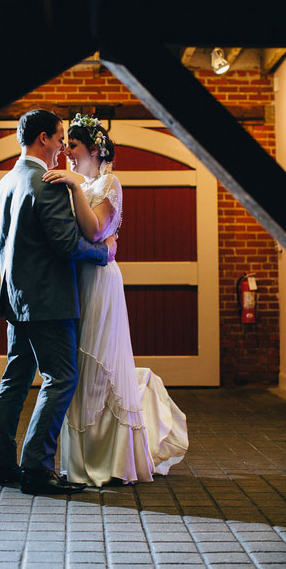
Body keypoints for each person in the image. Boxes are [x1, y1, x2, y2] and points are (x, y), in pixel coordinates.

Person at [43, 113, 188, 487]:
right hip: (77, 281)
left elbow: (96, 230)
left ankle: (111, 459)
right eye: (66, 146)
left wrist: (75, 187)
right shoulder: (80, 180)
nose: (67, 154)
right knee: (78, 365)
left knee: (98, 360)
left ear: (95, 149)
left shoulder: (110, 182)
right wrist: (74, 185)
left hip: (101, 282)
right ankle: (80, 459)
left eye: (72, 146)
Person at [0, 109, 118, 495]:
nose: (62, 146)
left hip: (16, 299)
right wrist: (103, 254)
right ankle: (37, 468)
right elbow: (64, 244)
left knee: (15, 378)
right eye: (59, 138)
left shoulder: (4, 184)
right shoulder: (47, 184)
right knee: (61, 378)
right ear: (43, 138)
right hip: (48, 301)